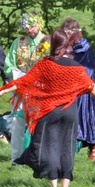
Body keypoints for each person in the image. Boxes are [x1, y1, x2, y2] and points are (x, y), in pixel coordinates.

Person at [0, 28, 95, 187]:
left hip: (49, 112)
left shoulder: (45, 64)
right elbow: (91, 86)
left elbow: (23, 81)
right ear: (68, 46)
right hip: (69, 113)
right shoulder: (77, 67)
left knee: (49, 149)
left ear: (53, 44)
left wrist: (3, 90)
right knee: (67, 149)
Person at [4, 11, 50, 165]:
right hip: (20, 88)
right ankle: (16, 159)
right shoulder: (18, 41)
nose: (29, 30)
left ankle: (37, 156)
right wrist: (15, 73)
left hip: (40, 89)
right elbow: (8, 65)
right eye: (26, 27)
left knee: (39, 123)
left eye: (32, 26)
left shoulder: (48, 42)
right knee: (17, 122)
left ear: (39, 24)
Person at [60, 18, 95, 162]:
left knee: (87, 116)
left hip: (84, 89)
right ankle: (68, 147)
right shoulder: (64, 46)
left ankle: (93, 146)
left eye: (69, 33)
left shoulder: (85, 47)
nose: (67, 36)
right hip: (67, 88)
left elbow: (89, 70)